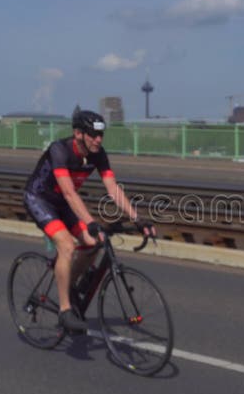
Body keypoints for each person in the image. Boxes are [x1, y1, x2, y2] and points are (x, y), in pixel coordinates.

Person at [23, 110, 155, 333]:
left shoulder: (98, 154)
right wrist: (90, 221)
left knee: (95, 242)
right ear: (78, 133)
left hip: (63, 204)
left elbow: (113, 189)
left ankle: (70, 283)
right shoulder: (60, 150)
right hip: (40, 199)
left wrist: (138, 218)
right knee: (66, 245)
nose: (98, 140)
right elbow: (68, 192)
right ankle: (65, 311)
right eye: (93, 135)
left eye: (101, 135)